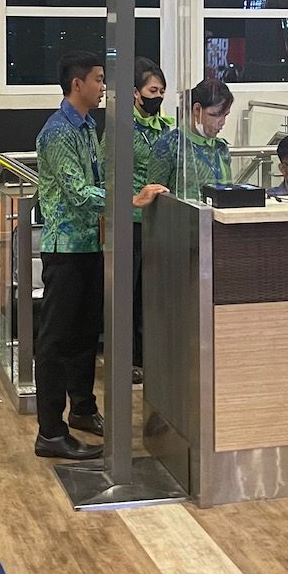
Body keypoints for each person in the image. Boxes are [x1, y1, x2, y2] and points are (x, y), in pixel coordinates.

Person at [34, 52, 166, 462]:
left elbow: (98, 181)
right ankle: (50, 431)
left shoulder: (89, 126)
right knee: (57, 340)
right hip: (66, 249)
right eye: (98, 79)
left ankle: (83, 409)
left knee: (85, 337)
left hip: (92, 244)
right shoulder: (57, 132)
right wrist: (128, 200)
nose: (103, 87)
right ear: (78, 84)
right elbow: (77, 193)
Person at [130, 57, 172, 379]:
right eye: (152, 90)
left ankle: (152, 355)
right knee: (130, 293)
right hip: (131, 221)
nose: (157, 96)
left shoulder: (166, 130)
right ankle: (130, 358)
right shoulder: (120, 131)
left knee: (153, 291)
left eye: (161, 91)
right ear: (135, 93)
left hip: (159, 221)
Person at [148, 79, 235, 198]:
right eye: (215, 115)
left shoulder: (220, 148)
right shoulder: (169, 146)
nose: (222, 122)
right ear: (197, 110)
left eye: (225, 115)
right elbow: (154, 200)